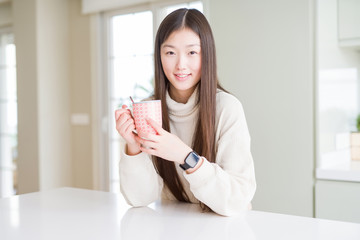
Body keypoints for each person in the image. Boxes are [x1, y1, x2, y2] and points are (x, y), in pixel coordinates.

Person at [115, 8, 256, 216]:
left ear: (206, 54)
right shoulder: (149, 109)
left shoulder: (227, 108)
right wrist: (133, 147)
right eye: (170, 53)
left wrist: (184, 155)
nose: (181, 65)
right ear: (159, 56)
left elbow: (237, 199)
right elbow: (139, 199)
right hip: (175, 227)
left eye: (192, 52)